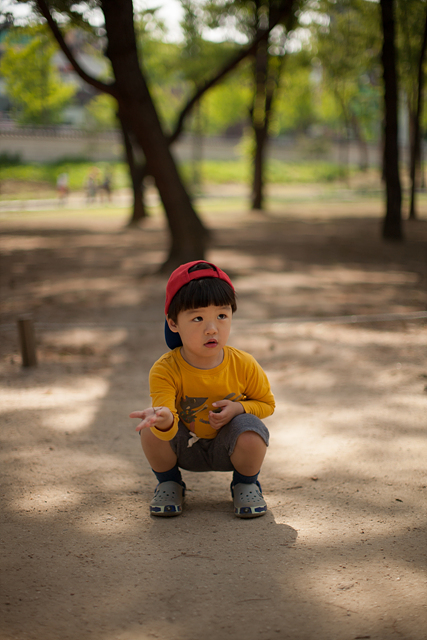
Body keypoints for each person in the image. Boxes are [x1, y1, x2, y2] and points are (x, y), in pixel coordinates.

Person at [130, 261, 275, 518]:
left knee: (252, 429)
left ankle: (245, 484)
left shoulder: (244, 363)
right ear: (173, 323)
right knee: (151, 428)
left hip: (228, 447)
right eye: (197, 318)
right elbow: (166, 414)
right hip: (185, 447)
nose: (212, 329)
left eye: (222, 316)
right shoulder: (165, 368)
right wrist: (163, 419)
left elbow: (267, 405)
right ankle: (169, 483)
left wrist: (238, 408)